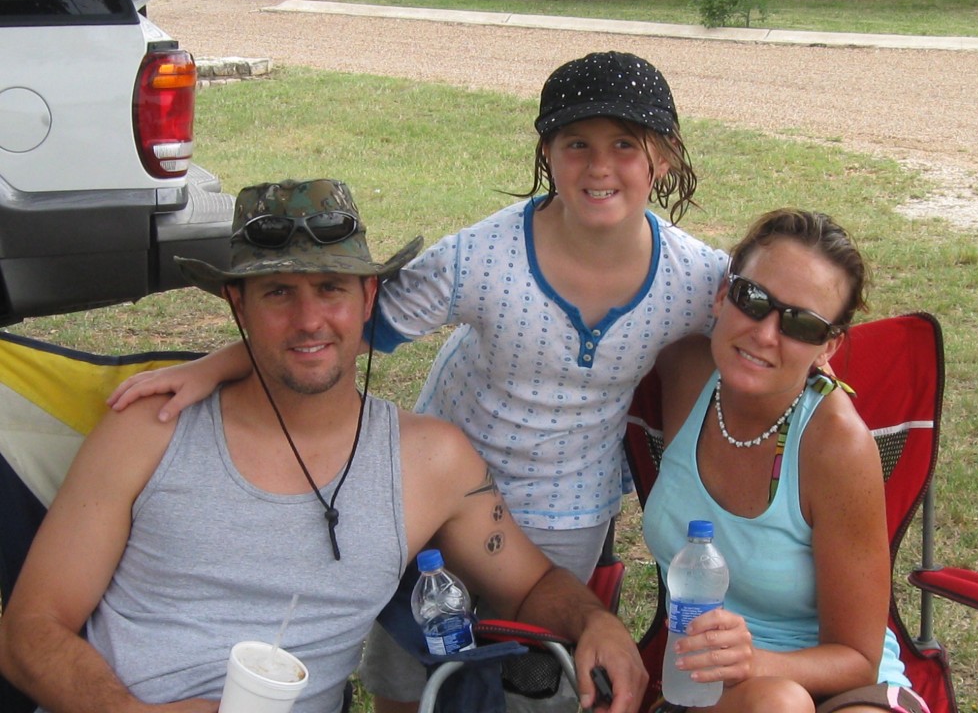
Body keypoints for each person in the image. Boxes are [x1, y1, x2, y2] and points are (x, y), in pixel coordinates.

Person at [106, 51, 730, 712]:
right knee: (412, 663)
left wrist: (823, 370)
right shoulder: (485, 257)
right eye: (577, 143)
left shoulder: (694, 279)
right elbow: (342, 332)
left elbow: (768, 331)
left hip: (568, 503)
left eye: (625, 145)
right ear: (547, 153)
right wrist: (217, 365)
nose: (600, 166)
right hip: (435, 490)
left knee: (533, 676)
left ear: (663, 157)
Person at [0, 179, 647, 713]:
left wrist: (594, 622)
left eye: (331, 289)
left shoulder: (429, 463)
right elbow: (29, 632)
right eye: (279, 292)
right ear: (238, 305)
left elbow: (531, 583)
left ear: (368, 298)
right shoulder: (151, 429)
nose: (309, 320)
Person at [644, 209, 929, 713]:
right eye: (753, 299)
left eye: (802, 323)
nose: (765, 334)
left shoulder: (836, 445)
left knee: (781, 701)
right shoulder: (685, 373)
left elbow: (858, 658)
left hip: (843, 686)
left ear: (829, 347)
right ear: (722, 294)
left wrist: (757, 661)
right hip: (708, 690)